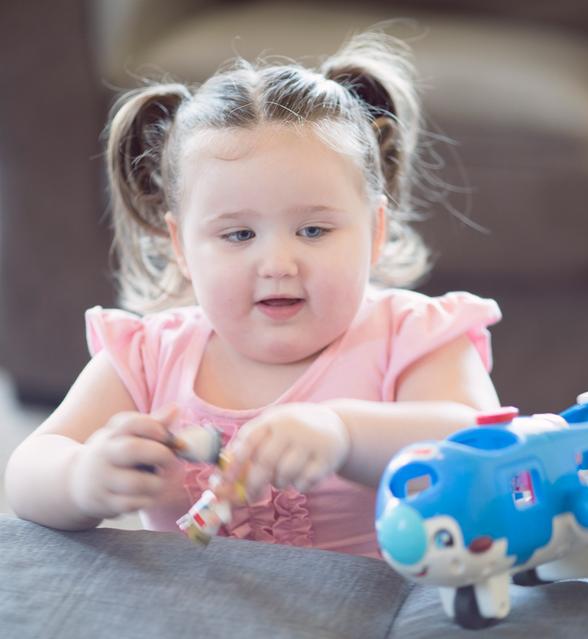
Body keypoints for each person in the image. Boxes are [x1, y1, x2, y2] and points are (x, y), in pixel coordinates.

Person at [4, 32, 501, 557]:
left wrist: (345, 433)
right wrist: (80, 479)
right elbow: (26, 471)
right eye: (238, 235)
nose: (278, 265)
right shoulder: (149, 355)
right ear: (180, 245)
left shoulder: (413, 336)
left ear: (375, 230)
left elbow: (482, 452)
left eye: (313, 231)